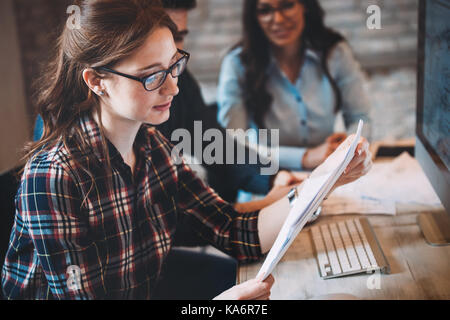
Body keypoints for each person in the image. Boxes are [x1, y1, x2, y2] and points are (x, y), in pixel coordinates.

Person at [2, 0, 371, 300]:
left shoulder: (153, 147)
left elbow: (232, 229)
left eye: (174, 66)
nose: (173, 89)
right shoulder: (54, 178)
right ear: (97, 81)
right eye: (151, 75)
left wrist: (322, 181)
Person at [217, 0, 372, 171]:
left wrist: (349, 145)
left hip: (328, 173)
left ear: (305, 5)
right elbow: (232, 146)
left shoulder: (335, 53)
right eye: (265, 10)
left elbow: (361, 118)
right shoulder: (237, 63)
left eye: (287, 5)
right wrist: (305, 157)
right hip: (267, 179)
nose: (278, 19)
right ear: (254, 17)